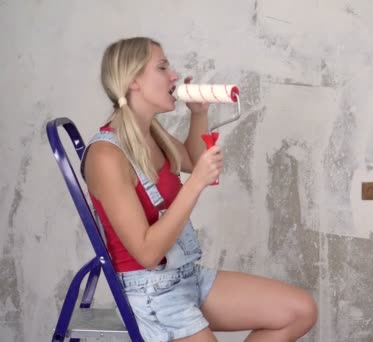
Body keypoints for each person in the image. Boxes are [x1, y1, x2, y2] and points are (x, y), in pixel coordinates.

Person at [82, 37, 317, 342]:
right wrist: (195, 185)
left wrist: (198, 114)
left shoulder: (150, 133)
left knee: (300, 310)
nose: (174, 76)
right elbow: (148, 253)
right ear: (134, 80)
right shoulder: (106, 156)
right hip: (152, 293)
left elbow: (192, 160)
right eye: (162, 67)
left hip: (186, 276)